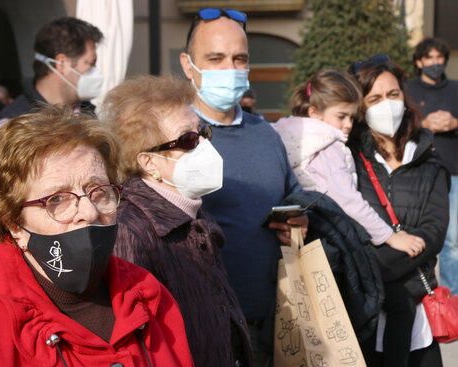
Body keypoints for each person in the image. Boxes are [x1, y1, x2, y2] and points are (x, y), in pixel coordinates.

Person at [0, 106, 194, 366]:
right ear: (14, 224)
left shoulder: (149, 296)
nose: (89, 211)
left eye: (99, 191)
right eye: (57, 199)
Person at [179, 8, 307, 365]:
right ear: (189, 66)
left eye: (239, 59)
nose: (230, 69)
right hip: (203, 325)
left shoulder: (266, 132)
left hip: (272, 321)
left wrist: (299, 217)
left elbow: (291, 191)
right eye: (215, 58)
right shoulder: (171, 138)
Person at [101, 75, 253, 367]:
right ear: (148, 162)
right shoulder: (130, 230)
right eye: (188, 139)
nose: (204, 145)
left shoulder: (192, 209)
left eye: (203, 132)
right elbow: (136, 343)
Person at [349, 56, 448, 367]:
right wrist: (372, 276)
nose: (387, 104)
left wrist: (379, 271)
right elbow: (350, 231)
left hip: (418, 313)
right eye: (375, 98)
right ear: (361, 107)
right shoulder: (348, 161)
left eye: (393, 95)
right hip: (364, 317)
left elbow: (432, 232)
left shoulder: (428, 160)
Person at [273, 69, 425, 256]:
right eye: (341, 116)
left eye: (352, 117)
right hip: (328, 238)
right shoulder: (327, 145)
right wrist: (389, 236)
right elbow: (347, 199)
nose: (348, 124)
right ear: (314, 112)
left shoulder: (288, 134)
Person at [0, 17, 104, 180]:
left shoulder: (90, 116)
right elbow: (4, 199)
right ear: (61, 63)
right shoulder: (10, 127)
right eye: (90, 64)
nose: (96, 73)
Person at [405, 37, 458, 295]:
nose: (435, 63)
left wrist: (454, 124)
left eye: (440, 58)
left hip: (455, 173)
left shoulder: (456, 89)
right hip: (420, 173)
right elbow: (400, 127)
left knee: (454, 241)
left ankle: (452, 297)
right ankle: (423, 294)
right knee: (419, 235)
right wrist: (425, 123)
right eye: (429, 58)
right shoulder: (407, 90)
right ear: (419, 61)